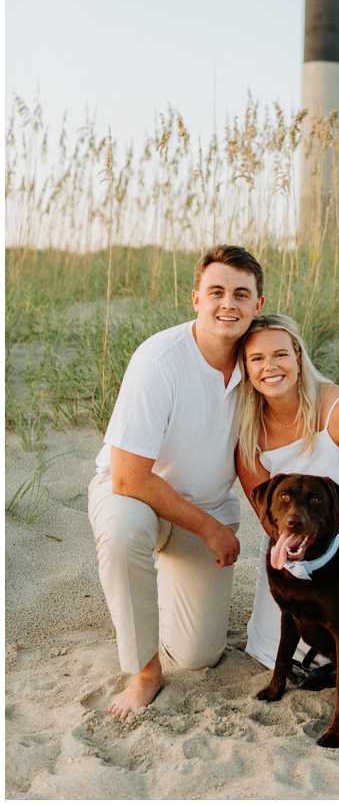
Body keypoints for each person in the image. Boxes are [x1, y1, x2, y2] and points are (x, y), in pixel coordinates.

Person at [88, 244, 264, 719]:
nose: (229, 303)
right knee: (125, 529)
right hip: (134, 496)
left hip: (204, 506)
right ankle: (144, 670)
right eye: (217, 292)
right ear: (196, 299)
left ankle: (166, 589)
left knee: (198, 656)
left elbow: (252, 459)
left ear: (257, 306)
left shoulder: (257, 366)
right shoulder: (159, 360)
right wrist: (210, 528)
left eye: (241, 294)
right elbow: (127, 476)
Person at [234, 313, 339, 671]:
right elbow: (267, 516)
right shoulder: (248, 431)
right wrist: (294, 557)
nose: (270, 366)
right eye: (257, 359)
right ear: (246, 368)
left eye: (280, 354)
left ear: (297, 356)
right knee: (270, 650)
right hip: (294, 540)